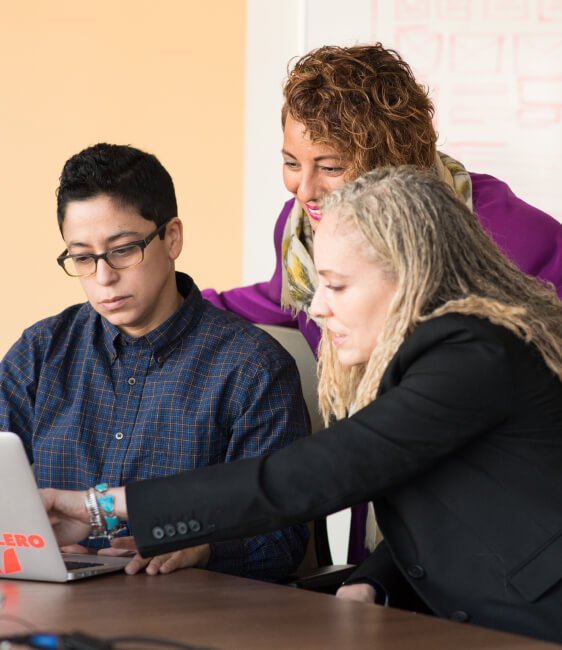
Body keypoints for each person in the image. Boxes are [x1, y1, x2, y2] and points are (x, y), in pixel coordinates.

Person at [43, 167, 562, 643]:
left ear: (410, 275)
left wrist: (100, 509)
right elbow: (451, 509)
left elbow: (314, 474)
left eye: (335, 285)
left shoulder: (473, 353)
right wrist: (371, 583)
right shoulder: (440, 355)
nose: (316, 307)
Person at [200, 43, 562, 567]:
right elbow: (285, 298)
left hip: (497, 521)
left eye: (330, 166)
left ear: (390, 160)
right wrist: (178, 301)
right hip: (382, 503)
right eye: (291, 163)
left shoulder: (514, 234)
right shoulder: (303, 229)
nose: (304, 189)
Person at [0, 143, 310, 580]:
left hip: (188, 608)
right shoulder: (42, 352)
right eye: (82, 257)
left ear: (172, 238)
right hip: (53, 602)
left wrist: (205, 549)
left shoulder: (252, 368)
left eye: (123, 249)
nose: (104, 277)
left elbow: (282, 540)